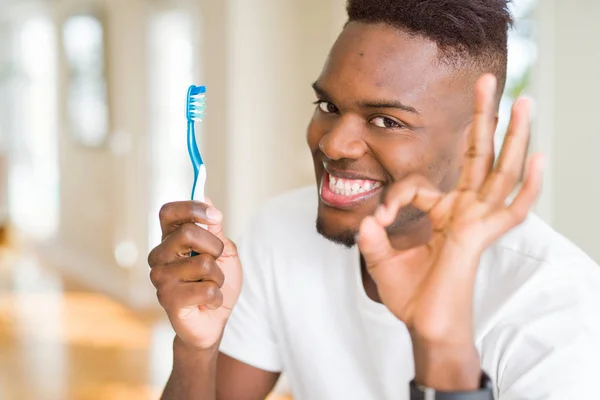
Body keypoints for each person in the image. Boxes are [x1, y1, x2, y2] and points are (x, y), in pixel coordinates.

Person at [148, 1, 600, 399]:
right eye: (328, 107)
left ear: (474, 135)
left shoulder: (556, 303)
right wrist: (195, 346)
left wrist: (441, 350)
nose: (334, 145)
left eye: (386, 120)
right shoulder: (280, 230)